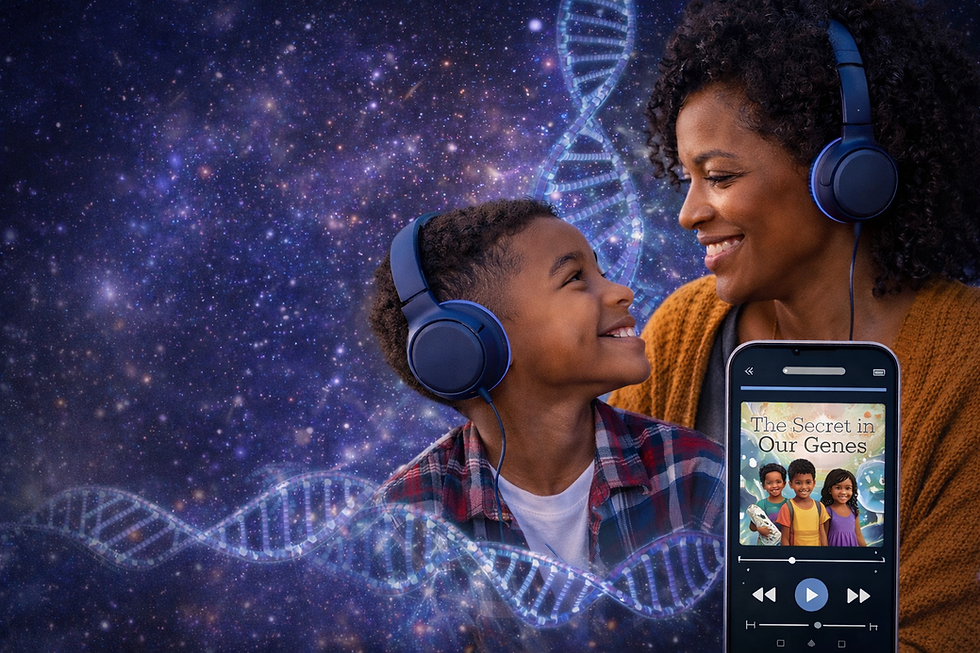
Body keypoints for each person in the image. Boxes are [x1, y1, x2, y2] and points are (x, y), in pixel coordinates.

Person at [608, 0, 980, 649]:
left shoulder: (969, 360)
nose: (689, 212)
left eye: (719, 176)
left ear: (845, 174)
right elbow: (612, 584)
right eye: (687, 177)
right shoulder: (680, 334)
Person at [368, 198, 725, 647]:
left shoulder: (702, 477)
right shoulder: (406, 522)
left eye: (600, 271)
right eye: (576, 278)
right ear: (464, 347)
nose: (621, 292)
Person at [775, 458, 829, 546]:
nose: (804, 487)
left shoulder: (819, 507)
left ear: (814, 483)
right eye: (798, 483)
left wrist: (824, 556)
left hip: (815, 557)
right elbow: (785, 538)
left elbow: (822, 535)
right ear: (791, 484)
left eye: (808, 482)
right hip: (796, 557)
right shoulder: (788, 507)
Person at [821, 467, 867, 547]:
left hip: (852, 555)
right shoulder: (827, 511)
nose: (843, 492)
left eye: (848, 488)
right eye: (838, 488)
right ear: (830, 490)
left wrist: (868, 554)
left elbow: (858, 534)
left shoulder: (854, 511)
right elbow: (823, 536)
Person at [749, 462, 788, 545]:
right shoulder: (761, 504)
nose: (774, 486)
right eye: (769, 483)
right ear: (763, 485)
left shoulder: (789, 504)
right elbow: (752, 527)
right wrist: (759, 529)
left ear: (784, 483)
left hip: (784, 546)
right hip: (764, 547)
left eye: (778, 482)